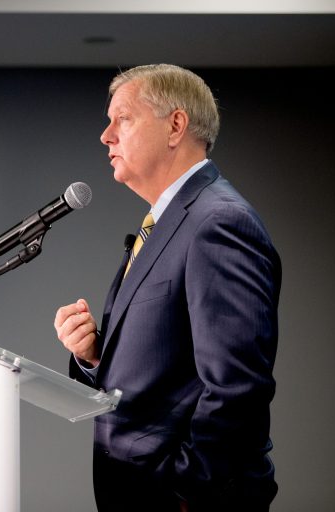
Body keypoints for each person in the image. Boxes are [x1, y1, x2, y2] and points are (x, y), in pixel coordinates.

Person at [54, 64, 280, 511]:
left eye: (123, 118)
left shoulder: (219, 222)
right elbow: (167, 367)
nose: (106, 135)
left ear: (176, 125)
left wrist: (186, 489)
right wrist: (94, 358)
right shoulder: (165, 223)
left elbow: (238, 386)